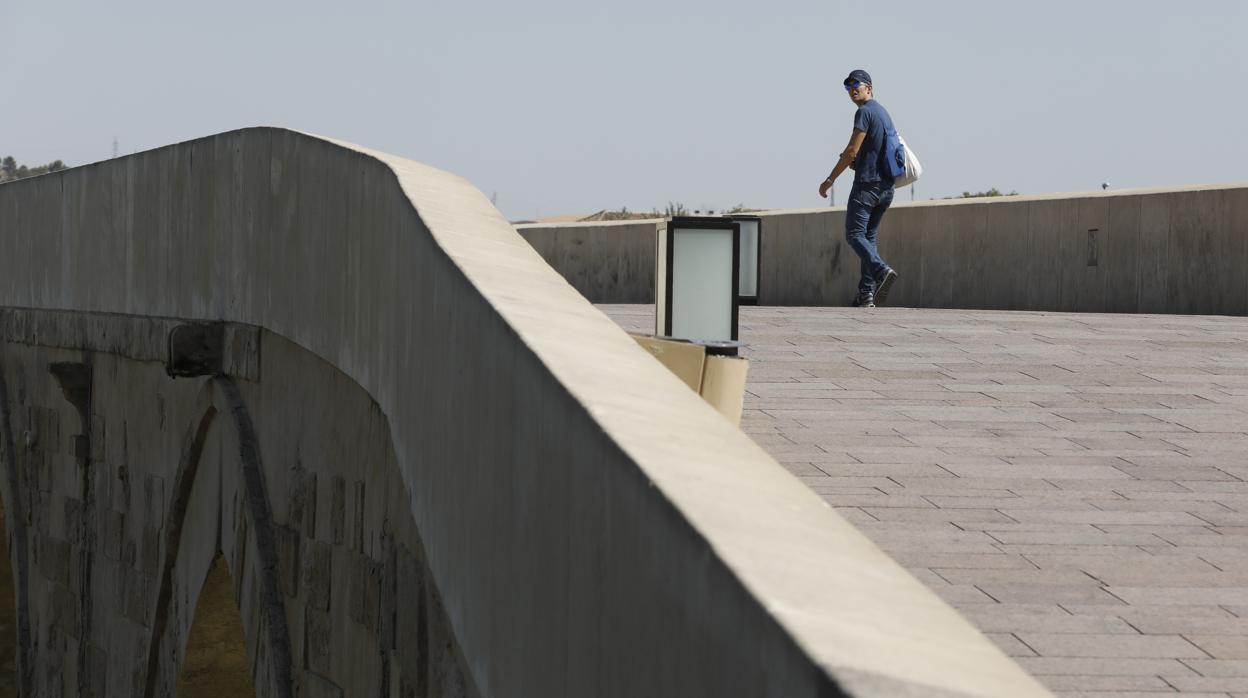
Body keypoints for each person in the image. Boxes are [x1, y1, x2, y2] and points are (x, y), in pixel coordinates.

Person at [818, 69, 899, 308]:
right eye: (848, 87)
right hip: (886, 188)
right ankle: (866, 294)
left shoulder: (864, 113)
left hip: (867, 187)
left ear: (869, 88)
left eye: (857, 85)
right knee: (868, 239)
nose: (852, 90)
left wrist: (830, 179)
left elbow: (852, 150)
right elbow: (873, 150)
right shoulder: (883, 113)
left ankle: (881, 270)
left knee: (854, 235)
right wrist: (858, 161)